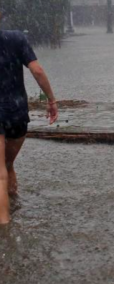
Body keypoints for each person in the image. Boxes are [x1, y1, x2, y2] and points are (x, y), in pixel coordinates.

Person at [0, 25, 58, 224]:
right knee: (7, 164)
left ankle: (5, 227)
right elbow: (37, 70)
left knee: (0, 174)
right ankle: (14, 205)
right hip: (16, 113)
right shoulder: (17, 38)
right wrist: (51, 100)